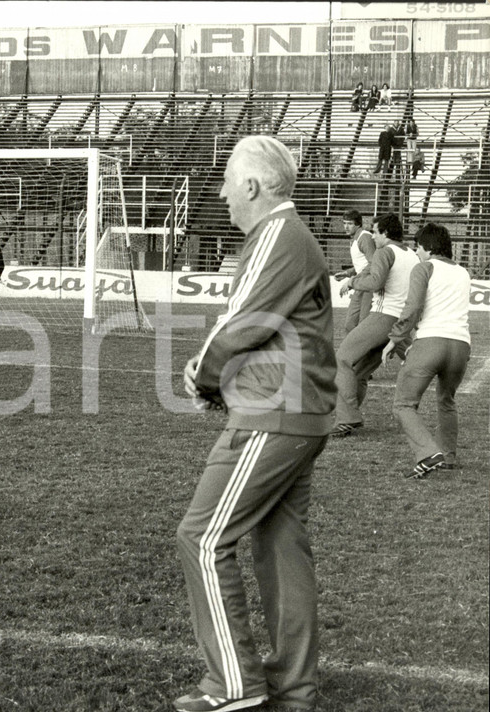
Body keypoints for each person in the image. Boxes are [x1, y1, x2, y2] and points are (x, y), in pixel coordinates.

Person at [176, 136, 336, 712]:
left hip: (275, 416)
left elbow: (243, 322)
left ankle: (234, 684)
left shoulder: (276, 235)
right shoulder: (289, 239)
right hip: (297, 414)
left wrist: (203, 376)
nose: (221, 193)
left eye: (225, 180)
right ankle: (294, 689)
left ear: (251, 186)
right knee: (281, 547)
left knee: (202, 536)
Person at [382, 224, 471, 478]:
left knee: (403, 404)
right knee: (447, 400)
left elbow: (412, 308)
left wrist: (394, 340)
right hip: (461, 345)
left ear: (429, 247)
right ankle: (448, 456)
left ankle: (428, 453)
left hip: (431, 342)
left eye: (419, 247)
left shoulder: (424, 268)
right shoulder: (463, 272)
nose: (417, 252)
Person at [332, 213, 419, 437]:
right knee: (359, 372)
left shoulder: (384, 251)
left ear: (386, 234)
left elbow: (375, 282)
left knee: (342, 358)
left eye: (376, 231)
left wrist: (352, 282)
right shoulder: (411, 254)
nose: (373, 236)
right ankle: (347, 419)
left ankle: (347, 417)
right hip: (399, 321)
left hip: (383, 316)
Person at [333, 210, 376, 333]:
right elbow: (362, 264)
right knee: (351, 325)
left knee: (363, 327)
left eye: (350, 223)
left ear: (358, 224)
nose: (346, 227)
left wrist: (352, 280)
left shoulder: (365, 237)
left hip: (368, 286)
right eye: (344, 223)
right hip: (360, 284)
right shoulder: (355, 238)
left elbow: (373, 264)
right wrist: (347, 273)